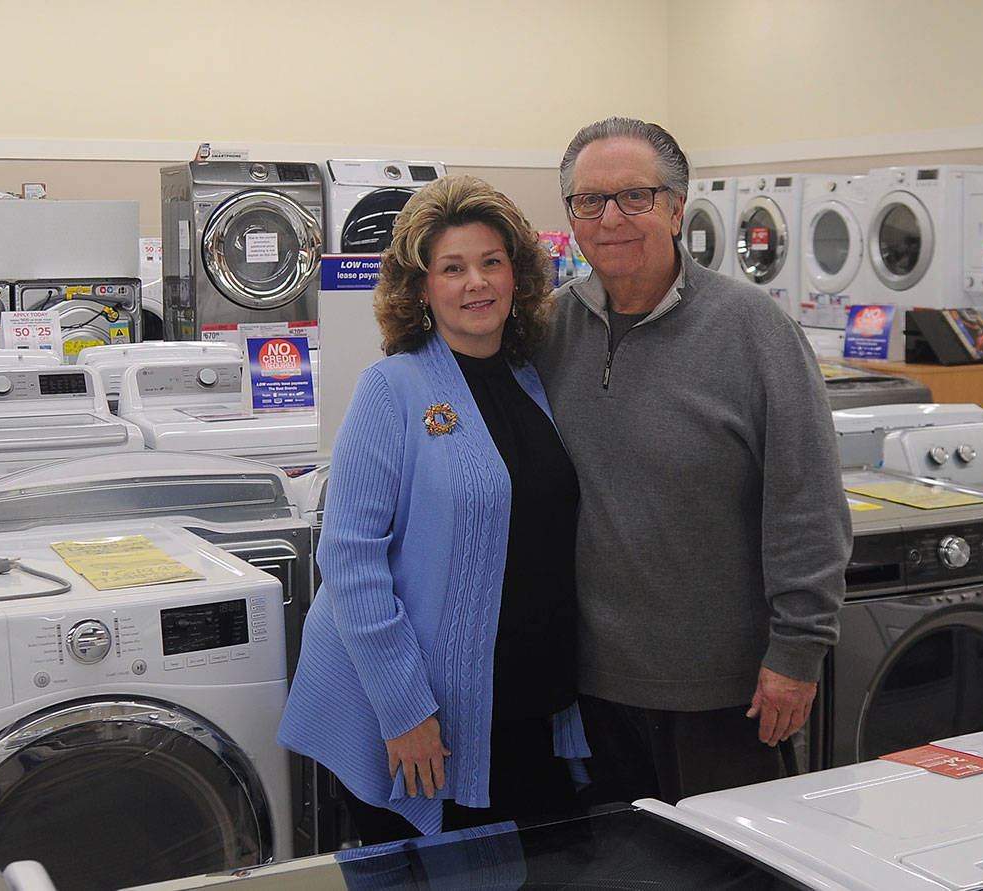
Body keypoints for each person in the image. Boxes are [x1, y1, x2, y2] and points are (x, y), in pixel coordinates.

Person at [535, 117, 852, 804]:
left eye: (635, 196)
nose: (610, 217)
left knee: (729, 876)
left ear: (677, 207)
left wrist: (797, 654)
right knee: (617, 874)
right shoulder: (548, 330)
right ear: (570, 217)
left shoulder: (754, 330)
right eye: (589, 200)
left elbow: (808, 503)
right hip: (585, 692)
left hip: (726, 695)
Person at [277, 174, 589, 843]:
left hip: (526, 702)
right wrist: (405, 710)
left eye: (491, 262)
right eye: (452, 268)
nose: (476, 283)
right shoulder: (393, 387)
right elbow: (350, 559)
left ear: (518, 275)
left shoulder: (530, 377)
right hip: (428, 717)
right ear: (422, 288)